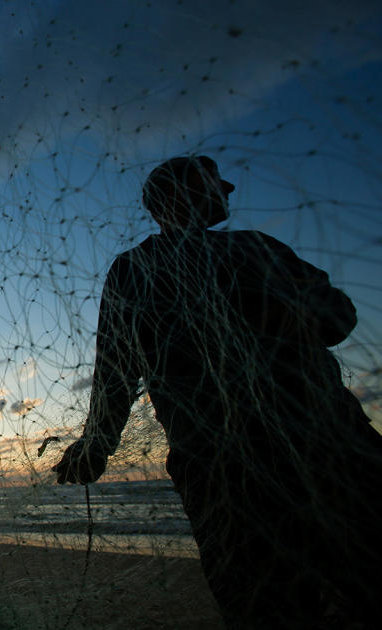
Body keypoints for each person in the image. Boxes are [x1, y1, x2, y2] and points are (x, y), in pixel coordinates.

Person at [53, 156, 382, 628]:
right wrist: (96, 443)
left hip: (316, 448)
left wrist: (98, 444)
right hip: (246, 465)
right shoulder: (149, 266)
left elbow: (335, 316)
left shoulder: (250, 249)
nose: (227, 187)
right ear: (174, 199)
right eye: (212, 182)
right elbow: (116, 368)